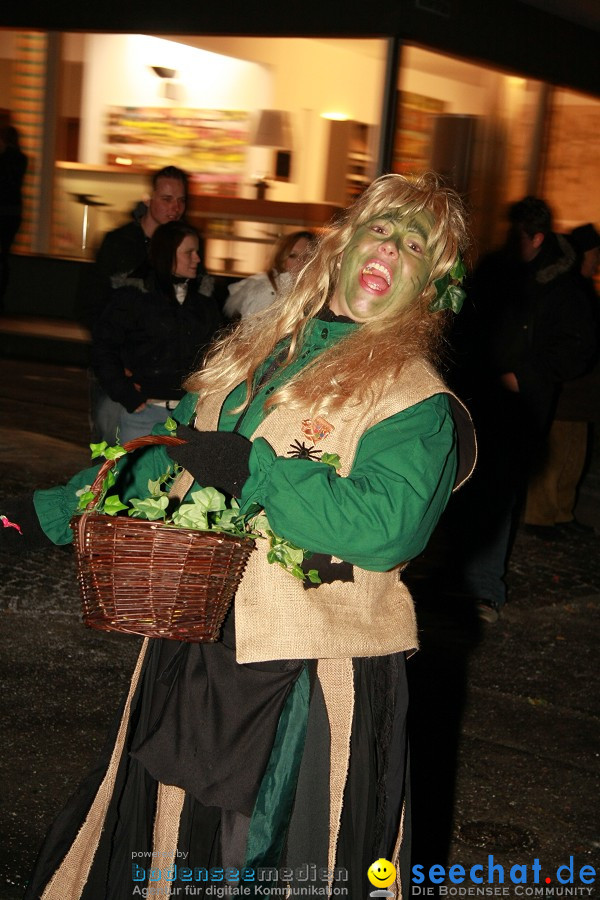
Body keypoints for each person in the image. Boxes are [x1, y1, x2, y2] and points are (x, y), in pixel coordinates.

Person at [12, 172, 476, 900]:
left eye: (415, 244)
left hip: (308, 674)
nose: (391, 248)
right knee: (171, 842)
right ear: (347, 245)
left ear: (427, 283)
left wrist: (255, 471)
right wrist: (41, 515)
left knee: (256, 863)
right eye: (381, 229)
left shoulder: (413, 399)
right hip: (195, 641)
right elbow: (169, 452)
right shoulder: (260, 352)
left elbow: (388, 528)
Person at [449, 197, 597, 622]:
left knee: (499, 492)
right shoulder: (496, 271)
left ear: (538, 237)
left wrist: (525, 375)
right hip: (477, 393)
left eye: (519, 237)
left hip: (520, 405)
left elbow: (576, 349)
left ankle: (482, 588)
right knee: (461, 483)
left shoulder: (563, 286)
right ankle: (452, 577)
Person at [80, 165, 193, 443]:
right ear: (148, 199)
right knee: (109, 441)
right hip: (118, 369)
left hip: (160, 380)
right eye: (167, 199)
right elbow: (92, 306)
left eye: (181, 200)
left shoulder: (187, 246)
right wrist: (118, 364)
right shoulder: (120, 244)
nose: (175, 207)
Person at [91, 221, 224, 443]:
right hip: (144, 415)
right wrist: (125, 393)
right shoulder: (135, 297)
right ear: (167, 253)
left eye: (197, 252)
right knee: (138, 476)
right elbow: (103, 346)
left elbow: (218, 352)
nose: (197, 259)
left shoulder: (204, 303)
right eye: (189, 252)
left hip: (189, 417)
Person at [523, 222, 600, 535]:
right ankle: (540, 516)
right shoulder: (564, 285)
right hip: (566, 390)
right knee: (556, 455)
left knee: (573, 455)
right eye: (594, 255)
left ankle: (561, 512)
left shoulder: (581, 286)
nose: (597, 261)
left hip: (583, 390)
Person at [223, 230, 315, 320]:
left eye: (307, 256)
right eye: (292, 255)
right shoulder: (265, 290)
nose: (301, 261)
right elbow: (253, 333)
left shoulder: (312, 291)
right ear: (281, 258)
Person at [0, 125, 28, 309]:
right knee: (3, 255)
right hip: (13, 212)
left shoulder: (5, 160)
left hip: (4, 211)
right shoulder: (21, 159)